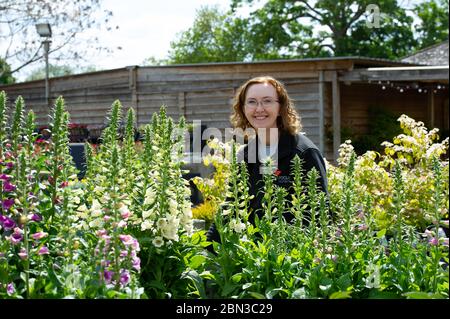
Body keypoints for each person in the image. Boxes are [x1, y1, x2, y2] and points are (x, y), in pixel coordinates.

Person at [206, 76, 329, 244]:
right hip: (254, 257)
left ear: (281, 107)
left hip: (294, 259)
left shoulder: (304, 152)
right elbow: (231, 206)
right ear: (243, 109)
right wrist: (207, 250)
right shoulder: (245, 155)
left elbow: (322, 213)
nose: (259, 108)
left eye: (267, 101)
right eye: (251, 102)